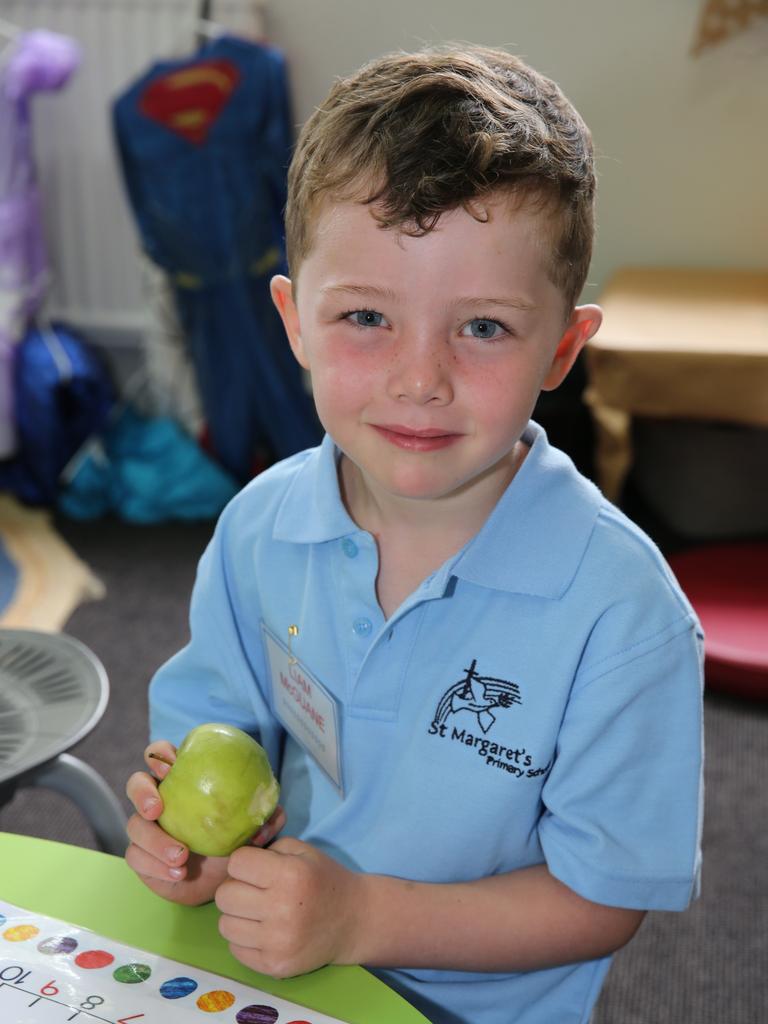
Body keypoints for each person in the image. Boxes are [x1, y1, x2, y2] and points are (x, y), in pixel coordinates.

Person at [125, 44, 704, 1024]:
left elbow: (604, 899)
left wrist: (359, 918)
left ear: (563, 347)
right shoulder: (258, 529)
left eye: (481, 327)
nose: (419, 378)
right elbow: (211, 741)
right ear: (295, 321)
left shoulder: (623, 612)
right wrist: (192, 847)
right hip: (273, 972)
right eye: (364, 316)